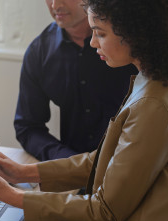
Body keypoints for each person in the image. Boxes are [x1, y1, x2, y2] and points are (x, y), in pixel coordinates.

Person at [0, 0, 168, 221]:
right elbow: (106, 161)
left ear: (135, 32)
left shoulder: (153, 105)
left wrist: (9, 195)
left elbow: (105, 210)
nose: (92, 41)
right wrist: (22, 173)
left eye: (100, 33)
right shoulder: (159, 80)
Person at [14, 0, 137, 162]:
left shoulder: (129, 45)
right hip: (72, 174)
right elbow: (28, 127)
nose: (55, 5)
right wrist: (66, 159)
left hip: (129, 165)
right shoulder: (39, 51)